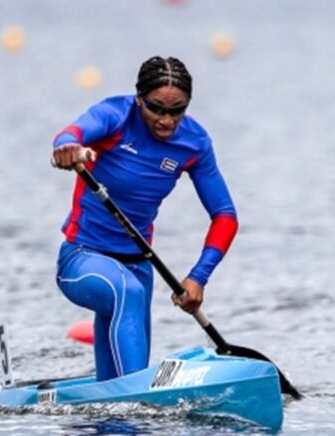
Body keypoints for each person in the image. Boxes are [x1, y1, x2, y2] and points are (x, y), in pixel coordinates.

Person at [51, 56, 238, 381]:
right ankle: (135, 402)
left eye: (177, 110)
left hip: (139, 265)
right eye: (156, 109)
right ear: (139, 99)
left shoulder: (194, 142)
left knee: (115, 383)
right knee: (129, 294)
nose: (167, 120)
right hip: (82, 259)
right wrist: (68, 148)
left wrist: (198, 277)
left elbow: (225, 217)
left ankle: (114, 411)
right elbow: (71, 133)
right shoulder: (114, 116)